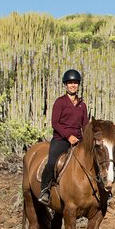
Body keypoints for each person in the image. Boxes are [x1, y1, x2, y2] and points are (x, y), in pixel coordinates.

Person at [38, 69, 89, 206]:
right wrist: (69, 136)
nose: (73, 85)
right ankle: (45, 190)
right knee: (52, 162)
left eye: (75, 83)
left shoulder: (82, 105)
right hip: (61, 139)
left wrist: (87, 139)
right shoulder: (60, 102)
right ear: (65, 85)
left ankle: (102, 189)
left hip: (78, 140)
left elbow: (85, 125)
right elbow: (55, 123)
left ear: (78, 85)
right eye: (70, 83)